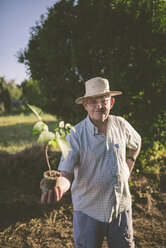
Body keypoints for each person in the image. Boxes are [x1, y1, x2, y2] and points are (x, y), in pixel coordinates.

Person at [41, 77, 141, 248]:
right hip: (89, 213)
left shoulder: (121, 125)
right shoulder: (75, 135)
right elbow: (66, 174)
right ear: (85, 105)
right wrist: (59, 187)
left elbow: (136, 143)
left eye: (104, 101)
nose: (99, 106)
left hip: (121, 209)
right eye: (93, 101)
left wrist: (128, 165)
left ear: (112, 102)